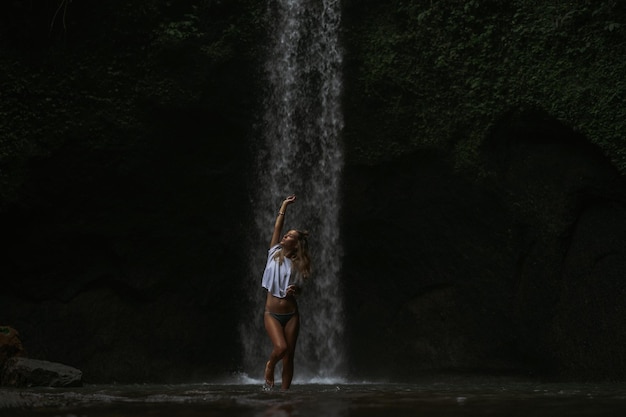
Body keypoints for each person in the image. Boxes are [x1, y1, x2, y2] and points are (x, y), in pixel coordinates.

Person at [261, 194, 311, 390]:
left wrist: (296, 289)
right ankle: (269, 365)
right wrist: (284, 205)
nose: (285, 236)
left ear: (296, 244)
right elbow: (277, 227)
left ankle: (285, 395)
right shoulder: (274, 251)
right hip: (271, 313)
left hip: (291, 314)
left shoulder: (300, 263)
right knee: (281, 348)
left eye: (289, 236)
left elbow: (300, 288)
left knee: (289, 356)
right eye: (286, 234)